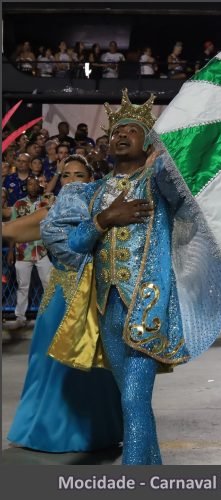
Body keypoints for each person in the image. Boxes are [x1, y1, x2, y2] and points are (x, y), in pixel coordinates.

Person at [40, 89, 221, 464]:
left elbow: (184, 173)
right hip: (109, 310)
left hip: (149, 305)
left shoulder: (157, 182)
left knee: (132, 399)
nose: (121, 135)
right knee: (134, 405)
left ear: (148, 142)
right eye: (115, 131)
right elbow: (78, 241)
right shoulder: (94, 193)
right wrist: (104, 219)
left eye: (132, 129)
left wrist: (214, 136)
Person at [4, 154, 123, 452]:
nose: (71, 181)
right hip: (58, 300)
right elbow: (9, 231)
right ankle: (46, 431)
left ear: (91, 179)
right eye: (66, 175)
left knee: (95, 366)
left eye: (79, 175)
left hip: (94, 298)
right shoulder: (50, 212)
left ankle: (97, 431)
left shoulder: (104, 210)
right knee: (50, 363)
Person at [5, 176, 55, 330]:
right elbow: (13, 229)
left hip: (42, 250)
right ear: (26, 186)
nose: (32, 186)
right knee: (23, 286)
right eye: (29, 184)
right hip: (23, 251)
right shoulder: (18, 204)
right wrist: (11, 251)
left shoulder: (46, 202)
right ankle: (20, 317)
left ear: (39, 186)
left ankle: (51, 316)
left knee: (49, 284)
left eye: (35, 184)